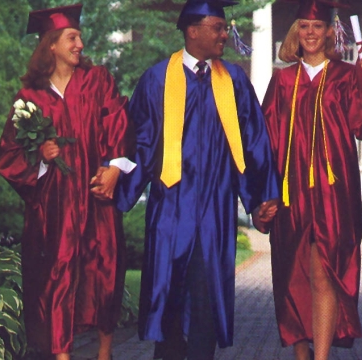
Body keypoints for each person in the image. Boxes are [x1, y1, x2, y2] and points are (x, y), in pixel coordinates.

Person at [113, 0, 280, 359]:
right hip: (170, 211)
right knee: (169, 302)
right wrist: (115, 186)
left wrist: (262, 199)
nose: (225, 34)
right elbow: (137, 143)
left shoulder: (233, 80)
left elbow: (254, 143)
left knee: (206, 303)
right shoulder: (157, 78)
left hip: (214, 213)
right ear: (192, 31)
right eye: (218, 27)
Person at [0, 4, 133, 360]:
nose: (81, 44)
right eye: (73, 37)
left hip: (95, 199)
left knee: (104, 273)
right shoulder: (30, 99)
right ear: (52, 44)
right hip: (54, 208)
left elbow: (118, 120)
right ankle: (62, 355)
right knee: (56, 279)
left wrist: (115, 167)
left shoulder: (98, 80)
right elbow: (9, 155)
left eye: (81, 37)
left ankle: (105, 352)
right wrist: (40, 157)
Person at [257, 1, 362, 359]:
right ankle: (302, 355)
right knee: (290, 276)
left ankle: (321, 356)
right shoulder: (282, 80)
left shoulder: (346, 76)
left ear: (331, 32)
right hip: (291, 191)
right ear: (295, 32)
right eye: (304, 26)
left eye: (317, 27)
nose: (311, 33)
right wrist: (261, 197)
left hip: (334, 191)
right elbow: (264, 143)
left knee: (323, 274)